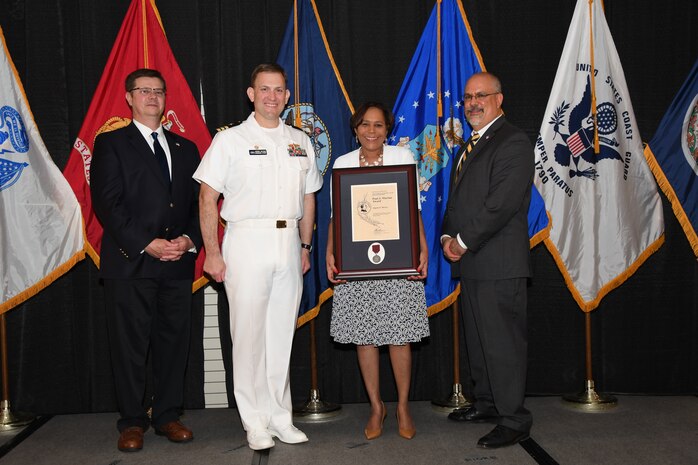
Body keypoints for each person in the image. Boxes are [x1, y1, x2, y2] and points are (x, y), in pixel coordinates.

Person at [194, 63, 322, 451]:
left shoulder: (300, 140)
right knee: (248, 336)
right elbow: (206, 198)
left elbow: (308, 197)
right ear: (251, 94)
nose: (272, 96)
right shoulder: (230, 140)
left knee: (281, 335)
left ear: (286, 96)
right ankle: (254, 421)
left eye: (279, 90)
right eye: (264, 89)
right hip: (245, 241)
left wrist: (304, 247)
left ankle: (280, 417)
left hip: (288, 244)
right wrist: (212, 254)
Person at [90, 68, 202, 452]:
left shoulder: (187, 148)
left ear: (165, 98)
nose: (152, 97)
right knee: (130, 347)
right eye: (144, 91)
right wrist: (146, 243)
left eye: (158, 91)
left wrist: (189, 239)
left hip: (177, 261)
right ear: (129, 98)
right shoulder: (111, 144)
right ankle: (132, 421)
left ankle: (168, 416)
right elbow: (107, 203)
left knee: (174, 344)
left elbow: (197, 205)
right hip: (131, 262)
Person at [326, 102, 429, 441]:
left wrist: (422, 248)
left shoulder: (403, 159)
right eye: (365, 125)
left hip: (398, 260)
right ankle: (376, 406)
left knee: (399, 335)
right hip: (356, 263)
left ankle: (401, 406)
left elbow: (413, 210)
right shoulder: (342, 163)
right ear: (355, 129)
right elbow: (335, 216)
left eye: (379, 125)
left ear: (388, 130)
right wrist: (330, 251)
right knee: (364, 335)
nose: (372, 131)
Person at [441, 72, 533, 449]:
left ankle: (514, 419)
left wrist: (462, 241)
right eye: (467, 98)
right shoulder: (470, 144)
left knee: (502, 344)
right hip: (474, 262)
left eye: (481, 96)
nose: (472, 103)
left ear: (499, 98)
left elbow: (501, 204)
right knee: (480, 342)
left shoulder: (513, 141)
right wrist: (448, 235)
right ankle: (488, 403)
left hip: (499, 262)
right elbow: (459, 202)